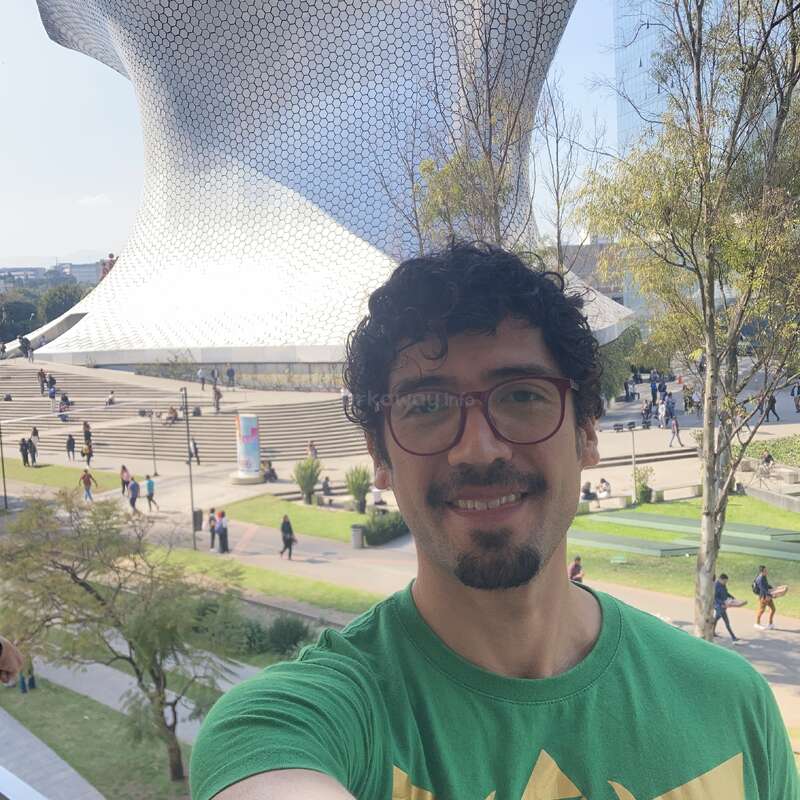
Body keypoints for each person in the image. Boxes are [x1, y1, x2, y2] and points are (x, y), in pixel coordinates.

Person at [191, 243, 796, 800]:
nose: (478, 449)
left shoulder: (733, 706)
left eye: (521, 395)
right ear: (380, 457)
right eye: (426, 405)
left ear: (587, 433)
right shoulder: (298, 722)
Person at [713, 574, 742, 644]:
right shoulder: (716, 586)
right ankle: (733, 637)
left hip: (723, 606)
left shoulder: (723, 585)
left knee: (716, 619)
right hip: (719, 606)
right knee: (726, 622)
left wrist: (732, 597)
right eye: (725, 581)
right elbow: (715, 598)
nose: (725, 583)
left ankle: (712, 632)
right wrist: (722, 603)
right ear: (720, 579)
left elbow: (726, 593)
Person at [754, 565, 776, 630]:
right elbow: (763, 589)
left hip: (768, 596)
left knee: (773, 609)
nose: (767, 571)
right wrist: (771, 595)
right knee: (761, 610)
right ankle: (757, 623)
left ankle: (770, 624)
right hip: (763, 597)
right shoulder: (760, 579)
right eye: (765, 571)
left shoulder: (764, 576)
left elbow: (766, 585)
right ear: (762, 571)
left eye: (766, 570)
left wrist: (772, 588)